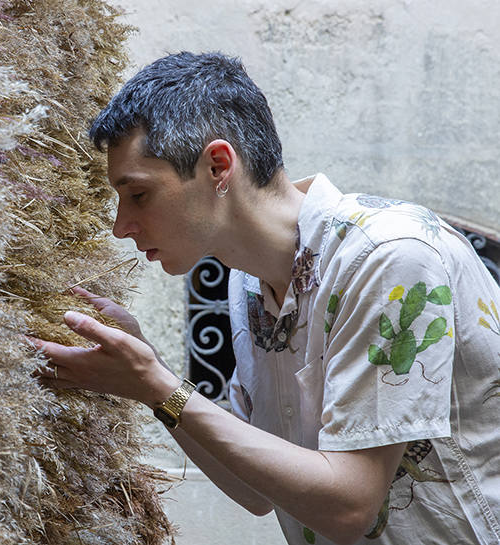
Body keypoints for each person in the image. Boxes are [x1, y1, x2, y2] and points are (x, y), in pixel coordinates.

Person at [31, 52, 500, 545]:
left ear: (218, 165)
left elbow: (349, 507)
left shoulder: (388, 257)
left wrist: (157, 386)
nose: (120, 226)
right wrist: (153, 381)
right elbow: (256, 489)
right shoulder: (248, 284)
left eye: (139, 194)